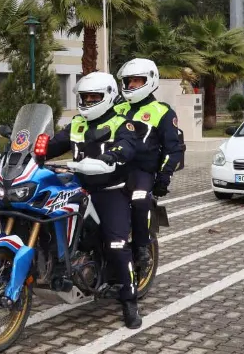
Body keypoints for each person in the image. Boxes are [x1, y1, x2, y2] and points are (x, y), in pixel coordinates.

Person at [44, 71, 143, 329]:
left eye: (93, 97)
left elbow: (127, 146)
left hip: (110, 190)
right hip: (78, 188)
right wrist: (25, 151)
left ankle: (129, 300)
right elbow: (52, 146)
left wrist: (112, 157)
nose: (87, 101)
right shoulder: (76, 124)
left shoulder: (123, 123)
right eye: (84, 97)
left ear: (108, 97)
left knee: (116, 245)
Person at [113, 58, 185, 277]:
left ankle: (142, 247)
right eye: (129, 81)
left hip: (141, 172)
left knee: (140, 198)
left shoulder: (162, 112)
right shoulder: (115, 108)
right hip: (112, 168)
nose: (132, 85)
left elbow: (174, 148)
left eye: (137, 80)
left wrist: (164, 176)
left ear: (150, 81)